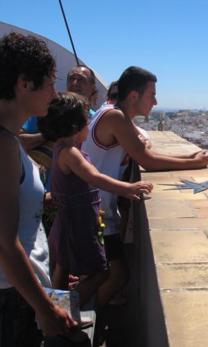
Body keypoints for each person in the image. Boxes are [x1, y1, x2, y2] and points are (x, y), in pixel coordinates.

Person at [82, 66, 208, 306]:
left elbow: (144, 152)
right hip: (93, 212)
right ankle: (73, 321)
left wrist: (189, 159)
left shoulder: (112, 113)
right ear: (134, 96)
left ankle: (78, 318)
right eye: (151, 95)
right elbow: (147, 161)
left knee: (105, 274)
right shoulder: (115, 117)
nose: (155, 101)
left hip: (94, 209)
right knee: (115, 275)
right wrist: (195, 165)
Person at [38, 92, 153, 307]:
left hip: (67, 222)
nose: (90, 126)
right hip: (78, 225)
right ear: (75, 126)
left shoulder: (62, 149)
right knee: (101, 272)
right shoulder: (71, 153)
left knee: (62, 270)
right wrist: (127, 188)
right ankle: (64, 310)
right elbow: (95, 177)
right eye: (86, 121)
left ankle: (59, 315)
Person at [0, 32, 77, 346]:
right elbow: (4, 243)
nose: (55, 93)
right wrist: (45, 309)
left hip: (20, 294)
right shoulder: (3, 144)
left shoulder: (11, 140)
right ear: (24, 83)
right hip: (12, 299)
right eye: (49, 82)